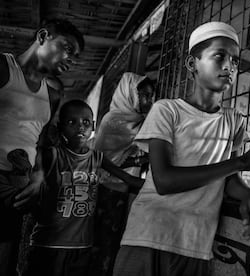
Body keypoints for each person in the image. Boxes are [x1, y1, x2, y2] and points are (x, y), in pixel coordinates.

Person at [113, 21, 250, 276]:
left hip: (196, 242)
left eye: (235, 61)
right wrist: (243, 162)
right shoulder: (167, 110)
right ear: (193, 64)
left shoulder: (233, 120)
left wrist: (249, 195)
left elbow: (230, 180)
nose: (229, 66)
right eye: (219, 56)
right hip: (149, 233)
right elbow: (164, 181)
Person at [21, 99, 144, 276]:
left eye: (86, 122)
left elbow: (128, 179)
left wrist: (157, 185)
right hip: (49, 244)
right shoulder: (52, 155)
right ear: (60, 126)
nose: (80, 127)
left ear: (93, 126)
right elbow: (36, 166)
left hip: (82, 245)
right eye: (72, 122)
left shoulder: (97, 158)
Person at [0, 18, 84, 275]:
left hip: (18, 184)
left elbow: (41, 140)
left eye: (76, 56)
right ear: (43, 36)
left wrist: (37, 175)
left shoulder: (53, 91)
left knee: (5, 259)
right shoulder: (4, 68)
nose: (72, 60)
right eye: (68, 48)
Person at [92, 72, 155, 276]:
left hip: (125, 191)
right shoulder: (113, 121)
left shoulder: (141, 121)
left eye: (150, 95)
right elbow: (102, 160)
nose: (148, 100)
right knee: (102, 242)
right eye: (143, 95)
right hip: (105, 190)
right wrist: (133, 167)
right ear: (129, 94)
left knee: (114, 243)